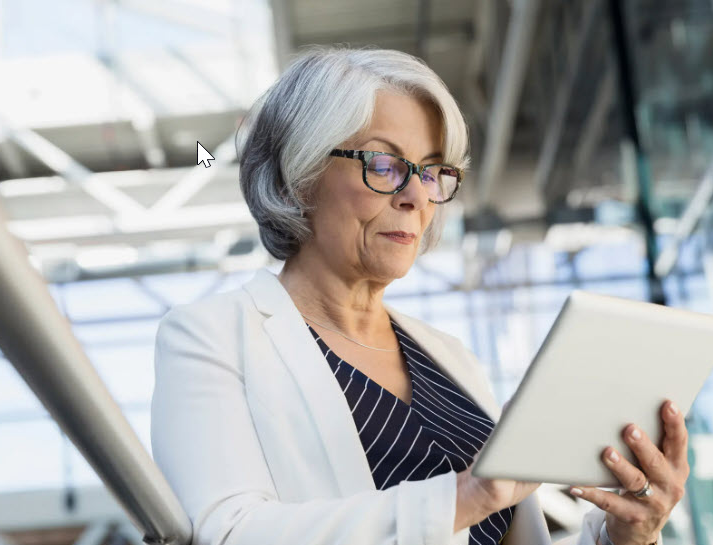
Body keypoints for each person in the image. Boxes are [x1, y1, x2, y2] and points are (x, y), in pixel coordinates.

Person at [149, 46, 688, 545]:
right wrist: (464, 497)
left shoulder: (449, 355)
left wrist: (622, 534)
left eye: (432, 171)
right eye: (383, 164)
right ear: (298, 174)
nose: (416, 196)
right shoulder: (213, 335)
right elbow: (226, 532)